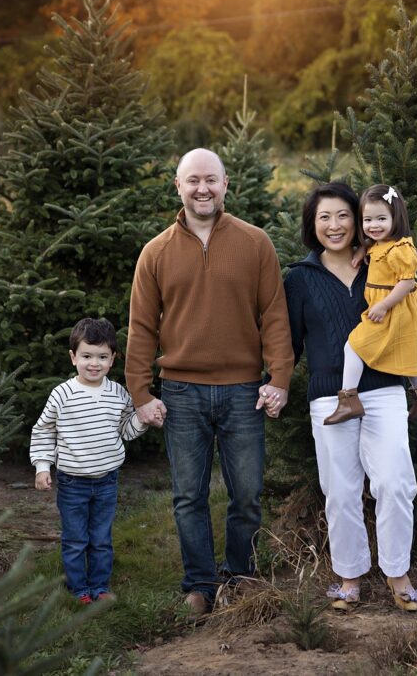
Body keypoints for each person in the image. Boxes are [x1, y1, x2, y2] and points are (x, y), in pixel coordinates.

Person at [125, 148, 294, 617]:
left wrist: (278, 378)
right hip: (180, 392)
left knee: (247, 494)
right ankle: (200, 583)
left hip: (244, 391)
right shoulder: (155, 252)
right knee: (187, 496)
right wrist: (141, 393)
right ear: (177, 186)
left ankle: (239, 577)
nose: (203, 189)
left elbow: (274, 316)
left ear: (225, 184)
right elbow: (141, 328)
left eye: (212, 180)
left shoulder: (255, 243)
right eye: (193, 180)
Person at [284, 182, 417, 612]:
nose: (335, 225)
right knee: (341, 489)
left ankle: (398, 574)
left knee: (394, 481)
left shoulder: (379, 264)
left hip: (384, 388)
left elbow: (410, 310)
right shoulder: (299, 279)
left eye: (343, 215)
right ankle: (349, 577)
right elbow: (288, 342)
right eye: (324, 216)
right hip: (329, 397)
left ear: (360, 219)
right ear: (313, 223)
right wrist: (274, 382)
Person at [30, 317, 148, 604]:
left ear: (112, 359)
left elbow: (125, 430)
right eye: (86, 356)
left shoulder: (118, 393)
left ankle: (100, 586)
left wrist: (143, 420)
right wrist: (43, 467)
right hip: (73, 481)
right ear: (73, 357)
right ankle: (79, 590)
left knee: (101, 538)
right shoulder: (63, 394)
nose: (94, 363)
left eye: (102, 357)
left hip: (107, 480)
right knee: (75, 539)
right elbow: (43, 430)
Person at [324, 184, 417, 425]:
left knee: (354, 346)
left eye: (381, 218)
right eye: (367, 219)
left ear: (395, 218)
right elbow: (374, 245)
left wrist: (383, 306)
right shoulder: (380, 244)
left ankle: (348, 399)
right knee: (407, 350)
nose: (373, 225)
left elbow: (407, 282)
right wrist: (362, 249)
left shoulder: (401, 249)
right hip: (393, 309)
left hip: (394, 309)